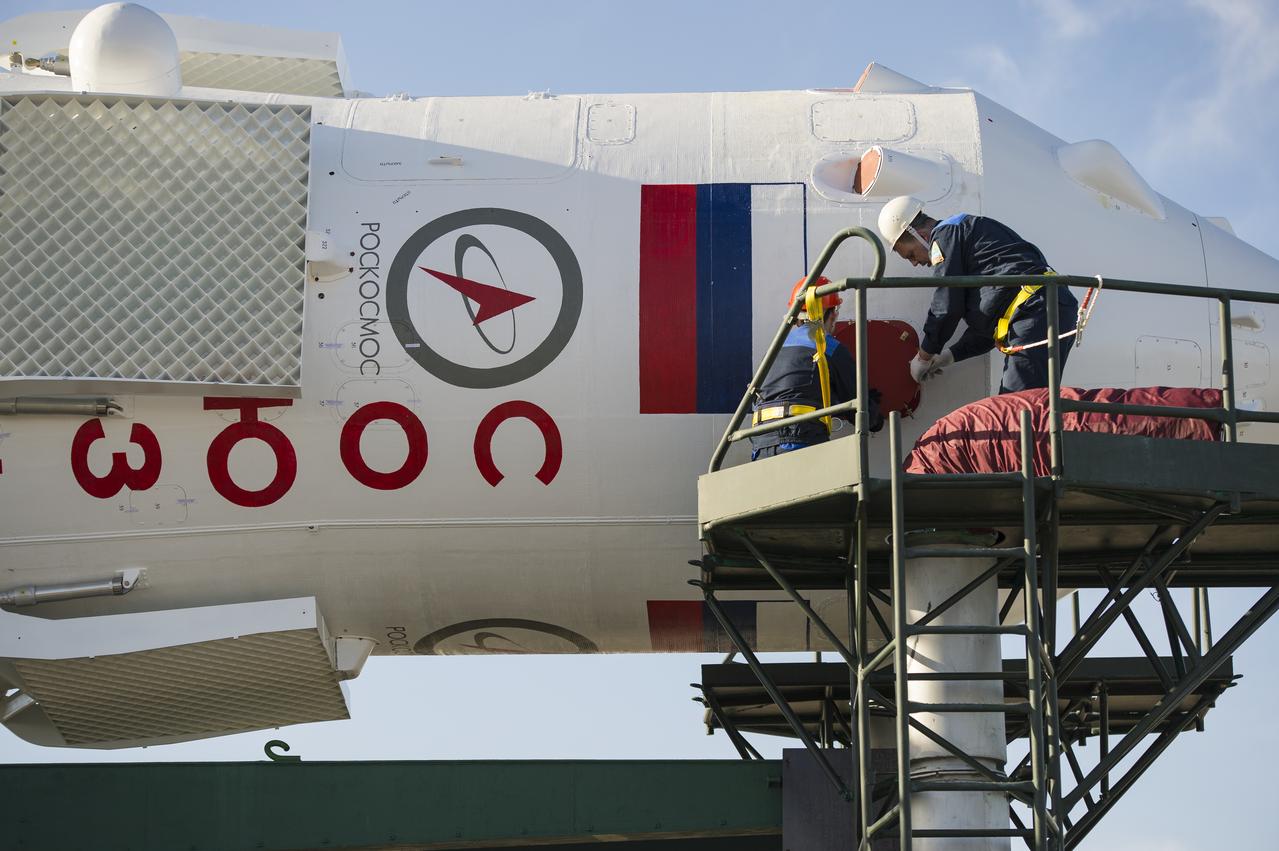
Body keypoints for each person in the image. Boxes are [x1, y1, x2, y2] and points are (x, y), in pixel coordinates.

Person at [877, 195, 1078, 394]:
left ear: (921, 234)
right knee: (1033, 404)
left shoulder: (944, 236)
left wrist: (924, 356)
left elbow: (946, 305)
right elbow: (991, 317)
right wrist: (950, 355)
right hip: (1046, 306)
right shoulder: (969, 233)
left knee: (1016, 409)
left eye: (911, 254)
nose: (915, 263)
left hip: (1034, 311)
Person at [749, 276, 883, 460]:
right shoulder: (828, 347)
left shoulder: (774, 350)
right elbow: (860, 409)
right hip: (800, 441)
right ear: (833, 314)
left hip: (760, 444)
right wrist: (876, 418)